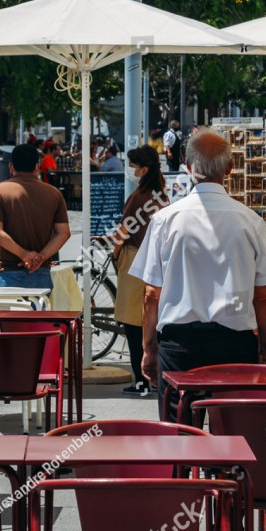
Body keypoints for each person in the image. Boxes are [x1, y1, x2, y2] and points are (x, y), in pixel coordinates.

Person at [129, 130, 266, 421]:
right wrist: (265, 347)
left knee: (179, 437)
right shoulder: (251, 221)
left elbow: (151, 294)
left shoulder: (165, 221)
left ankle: (184, 468)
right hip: (236, 346)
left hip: (180, 347)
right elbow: (263, 296)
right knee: (236, 437)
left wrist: (148, 348)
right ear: (229, 168)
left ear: (187, 166)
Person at [110, 145, 169, 395]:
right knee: (154, 323)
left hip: (135, 262)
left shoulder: (138, 197)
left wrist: (114, 253)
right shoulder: (162, 197)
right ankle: (158, 377)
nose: (130, 170)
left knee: (133, 325)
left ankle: (141, 381)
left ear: (143, 169)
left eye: (133, 165)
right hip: (159, 262)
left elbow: (123, 232)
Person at [0, 143, 71, 289]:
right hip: (41, 269)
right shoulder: (54, 193)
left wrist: (24, 254)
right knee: (38, 311)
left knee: (9, 312)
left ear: (11, 167)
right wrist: (40, 257)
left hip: (8, 269)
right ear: (37, 167)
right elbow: (63, 233)